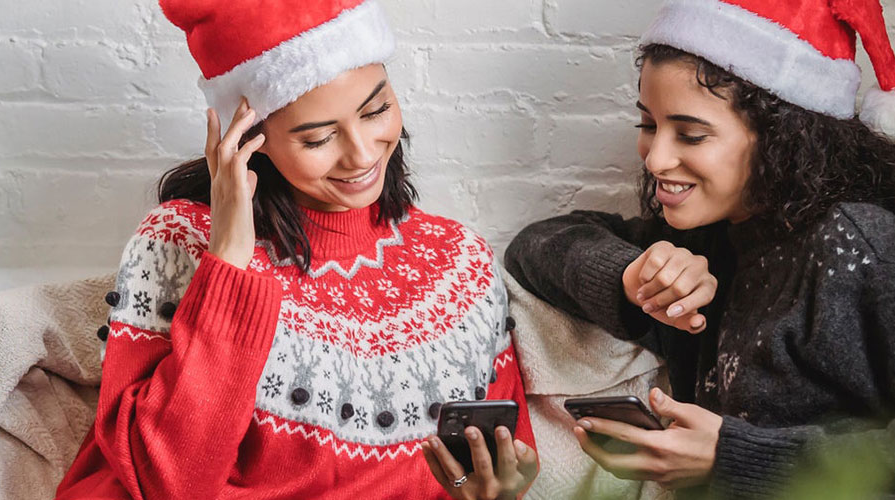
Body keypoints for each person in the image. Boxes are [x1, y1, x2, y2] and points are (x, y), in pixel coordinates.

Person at [504, 0, 895, 497]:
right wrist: (632, 276)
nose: (655, 157)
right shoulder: (710, 235)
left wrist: (731, 456)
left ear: (784, 137)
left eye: (689, 135)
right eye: (648, 124)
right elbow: (536, 246)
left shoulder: (863, 252)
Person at [54, 0, 540, 498]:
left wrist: (489, 492)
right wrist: (227, 263)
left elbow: (501, 465)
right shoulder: (177, 241)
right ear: (250, 139)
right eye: (319, 139)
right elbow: (168, 482)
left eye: (376, 110)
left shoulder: (462, 264)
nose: (362, 153)